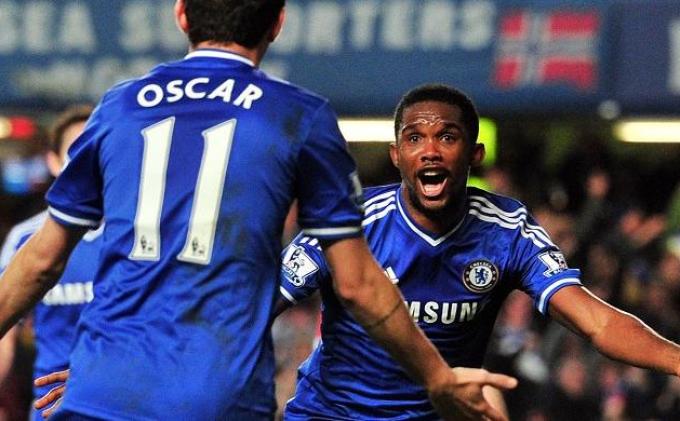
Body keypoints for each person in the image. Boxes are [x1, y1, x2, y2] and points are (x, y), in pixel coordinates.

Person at [0, 2, 515, 420]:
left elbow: (41, 260)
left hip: (102, 388)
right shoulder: (299, 117)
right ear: (278, 22)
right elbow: (357, 285)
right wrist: (436, 376)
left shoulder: (119, 106)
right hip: (218, 395)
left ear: (181, 14)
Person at [270, 84, 680, 419]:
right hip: (332, 414)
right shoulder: (350, 222)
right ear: (397, 156)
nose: (430, 150)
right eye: (414, 138)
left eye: (447, 137)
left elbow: (596, 322)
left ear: (475, 154)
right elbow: (259, 302)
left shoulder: (507, 231)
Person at [0, 105, 99, 421]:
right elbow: (6, 332)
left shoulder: (139, 238)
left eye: (96, 151)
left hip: (115, 405)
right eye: (76, 152)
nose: (88, 163)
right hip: (49, 410)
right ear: (53, 162)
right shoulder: (25, 238)